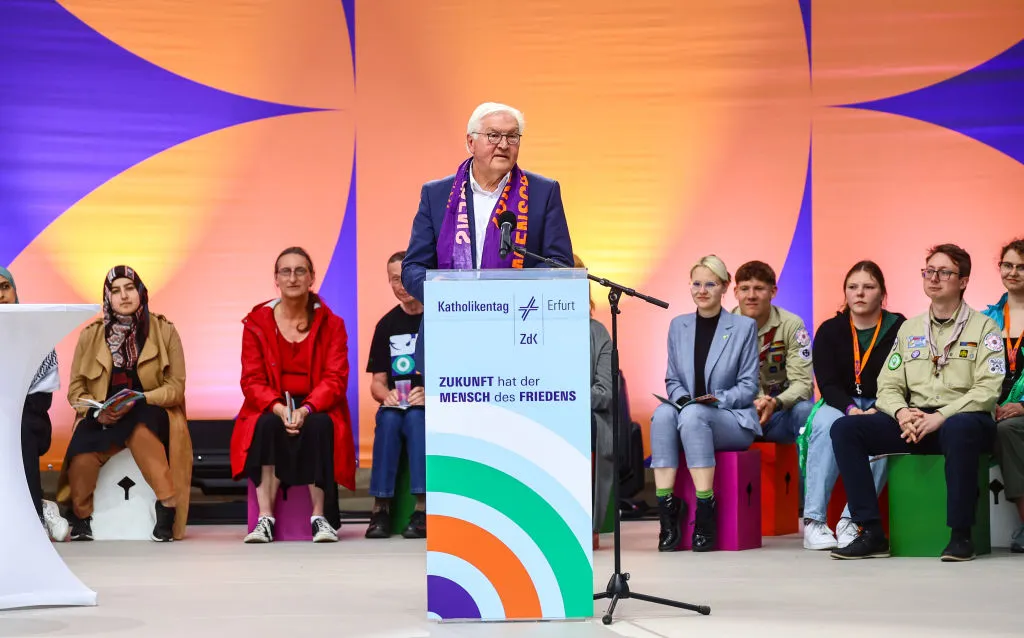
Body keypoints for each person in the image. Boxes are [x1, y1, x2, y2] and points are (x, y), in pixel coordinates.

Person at [831, 244, 1003, 562]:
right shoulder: (909, 329)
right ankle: (870, 532)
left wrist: (941, 416)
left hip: (964, 419)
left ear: (963, 281)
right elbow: (888, 386)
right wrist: (901, 413)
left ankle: (961, 536)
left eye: (944, 272)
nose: (934, 278)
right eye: (929, 272)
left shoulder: (985, 328)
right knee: (845, 428)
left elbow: (987, 391)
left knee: (961, 427)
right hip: (916, 421)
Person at [401, 102, 574, 370]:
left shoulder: (544, 192)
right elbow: (412, 268)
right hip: (450, 335)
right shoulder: (436, 195)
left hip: (521, 337)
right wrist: (438, 289)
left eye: (512, 136)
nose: (504, 144)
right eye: (493, 135)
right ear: (471, 142)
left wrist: (506, 295)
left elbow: (559, 263)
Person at [58, 266, 191, 542]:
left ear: (140, 291)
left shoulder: (165, 330)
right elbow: (75, 390)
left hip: (152, 409)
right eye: (115, 291)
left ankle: (167, 505)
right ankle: (82, 517)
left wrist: (143, 397)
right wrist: (97, 412)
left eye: (129, 288)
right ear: (108, 298)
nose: (124, 296)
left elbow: (176, 388)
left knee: (140, 428)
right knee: (82, 453)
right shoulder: (90, 335)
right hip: (104, 413)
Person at [232, 247, 354, 544]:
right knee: (265, 426)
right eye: (285, 271)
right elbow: (251, 380)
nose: (293, 277)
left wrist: (306, 409)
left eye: (300, 271)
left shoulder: (332, 324)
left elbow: (335, 379)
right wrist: (278, 408)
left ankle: (319, 518)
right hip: (271, 405)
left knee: (320, 426)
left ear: (312, 277)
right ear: (276, 279)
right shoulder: (257, 323)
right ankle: (265, 519)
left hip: (317, 405)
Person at [650, 256, 759, 552]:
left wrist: (715, 400)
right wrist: (683, 400)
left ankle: (705, 509)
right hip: (689, 414)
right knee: (661, 414)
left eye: (710, 284)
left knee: (695, 415)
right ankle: (667, 511)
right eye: (696, 283)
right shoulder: (678, 326)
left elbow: (749, 386)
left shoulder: (743, 327)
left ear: (724, 287)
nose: (702, 290)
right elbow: (672, 379)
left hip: (732, 419)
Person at [802, 261, 905, 550]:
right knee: (824, 425)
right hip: (840, 402)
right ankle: (814, 521)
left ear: (882, 293)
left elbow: (903, 376)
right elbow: (828, 383)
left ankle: (853, 521)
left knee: (881, 433)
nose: (860, 293)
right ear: (845, 293)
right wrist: (849, 409)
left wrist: (881, 406)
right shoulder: (830, 330)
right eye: (852, 287)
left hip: (883, 401)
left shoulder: (899, 327)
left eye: (868, 287)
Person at [0, 266, 69, 542]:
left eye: (5, 287)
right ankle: (39, 505)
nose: (0, 294)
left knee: (22, 428)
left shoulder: (37, 337)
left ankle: (34, 518)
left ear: (15, 291)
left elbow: (42, 400)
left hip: (28, 422)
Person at [364, 251, 426, 540]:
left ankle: (423, 510)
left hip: (427, 406)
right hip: (396, 402)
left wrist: (432, 395)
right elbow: (376, 383)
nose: (400, 286)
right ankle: (381, 509)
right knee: (388, 421)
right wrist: (386, 395)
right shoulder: (386, 325)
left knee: (416, 420)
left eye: (404, 278)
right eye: (393, 280)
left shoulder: (440, 317)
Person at [732, 261, 815, 443]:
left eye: (759, 288)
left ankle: (809, 472)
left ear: (773, 292)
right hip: (739, 416)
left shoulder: (791, 325)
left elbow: (803, 384)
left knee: (805, 411)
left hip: (778, 414)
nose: (751, 296)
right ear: (735, 292)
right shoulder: (723, 328)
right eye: (745, 288)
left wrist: (774, 404)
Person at [982, 238, 1024, 552]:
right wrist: (988, 402)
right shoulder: (986, 319)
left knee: (1008, 429)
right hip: (991, 407)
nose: (1014, 272)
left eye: (1022, 267)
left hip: (1018, 413)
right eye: (1008, 265)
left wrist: (1022, 406)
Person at [574, 254, 614, 551]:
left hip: (584, 415)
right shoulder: (526, 324)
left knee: (577, 424)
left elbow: (603, 393)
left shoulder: (597, 333)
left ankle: (583, 524)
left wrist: (564, 397)